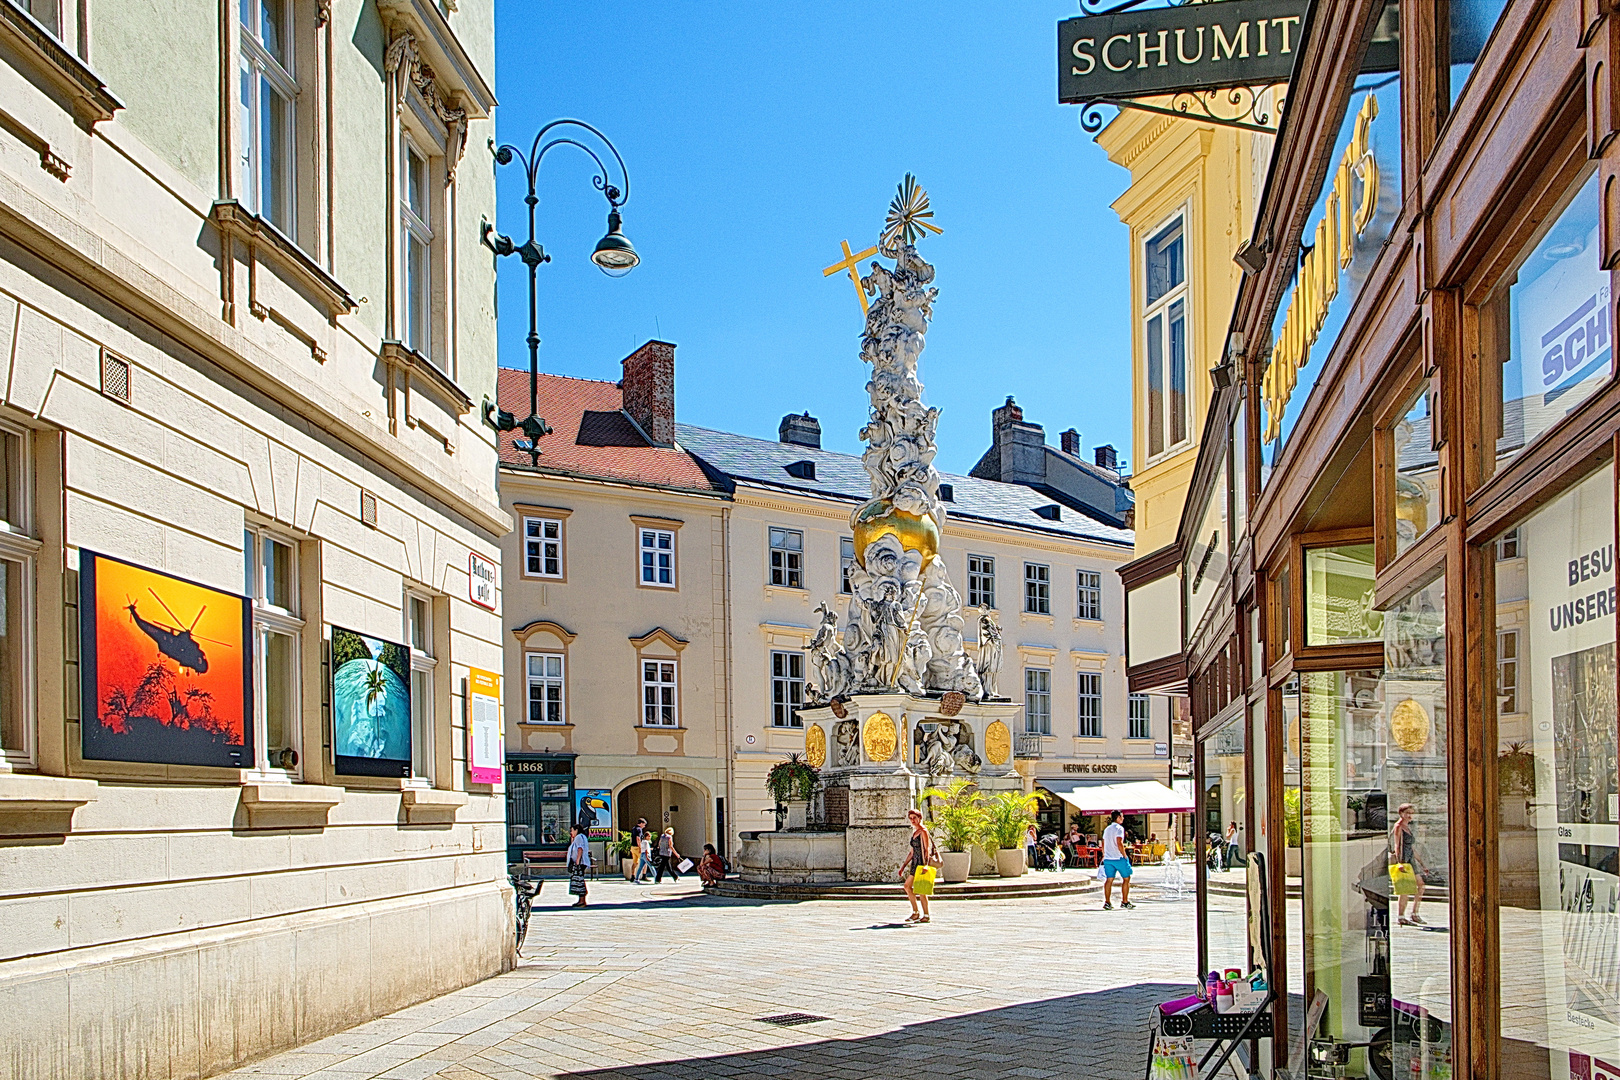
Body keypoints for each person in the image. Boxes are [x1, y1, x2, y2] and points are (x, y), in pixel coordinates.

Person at [1389, 802, 1429, 925]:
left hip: (1411, 860)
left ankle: (1414, 913)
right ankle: (1401, 916)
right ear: (1401, 813)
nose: (1409, 816)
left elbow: (1411, 847)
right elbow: (1396, 845)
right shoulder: (1398, 826)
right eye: (1407, 813)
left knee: (1421, 886)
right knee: (1404, 890)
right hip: (1404, 860)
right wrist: (1399, 862)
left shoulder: (1408, 827)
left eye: (1411, 813)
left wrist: (1422, 864)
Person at [900, 807, 939, 923]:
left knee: (922, 891)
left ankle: (926, 915)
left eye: (914, 818)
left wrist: (926, 865)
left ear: (919, 818)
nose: (912, 820)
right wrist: (903, 866)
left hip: (921, 863)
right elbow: (911, 852)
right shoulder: (915, 832)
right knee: (907, 886)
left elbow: (927, 849)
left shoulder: (923, 831)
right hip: (914, 863)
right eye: (911, 818)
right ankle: (915, 912)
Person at [1101, 810, 1135, 910]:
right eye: (1122, 817)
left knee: (1109, 880)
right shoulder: (1119, 829)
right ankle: (1124, 901)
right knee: (1126, 878)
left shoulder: (1107, 829)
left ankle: (1107, 902)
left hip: (1108, 858)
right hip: (1118, 857)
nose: (1123, 819)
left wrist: (1104, 854)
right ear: (1118, 817)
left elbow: (1103, 842)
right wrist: (1124, 855)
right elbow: (1119, 842)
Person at [565, 824, 590, 908]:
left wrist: (577, 861)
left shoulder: (579, 837)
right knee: (579, 881)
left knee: (579, 881)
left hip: (580, 862)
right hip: (581, 862)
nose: (571, 832)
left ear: (576, 830)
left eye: (572, 830)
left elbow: (580, 849)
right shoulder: (581, 837)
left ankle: (582, 901)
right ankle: (581, 900)